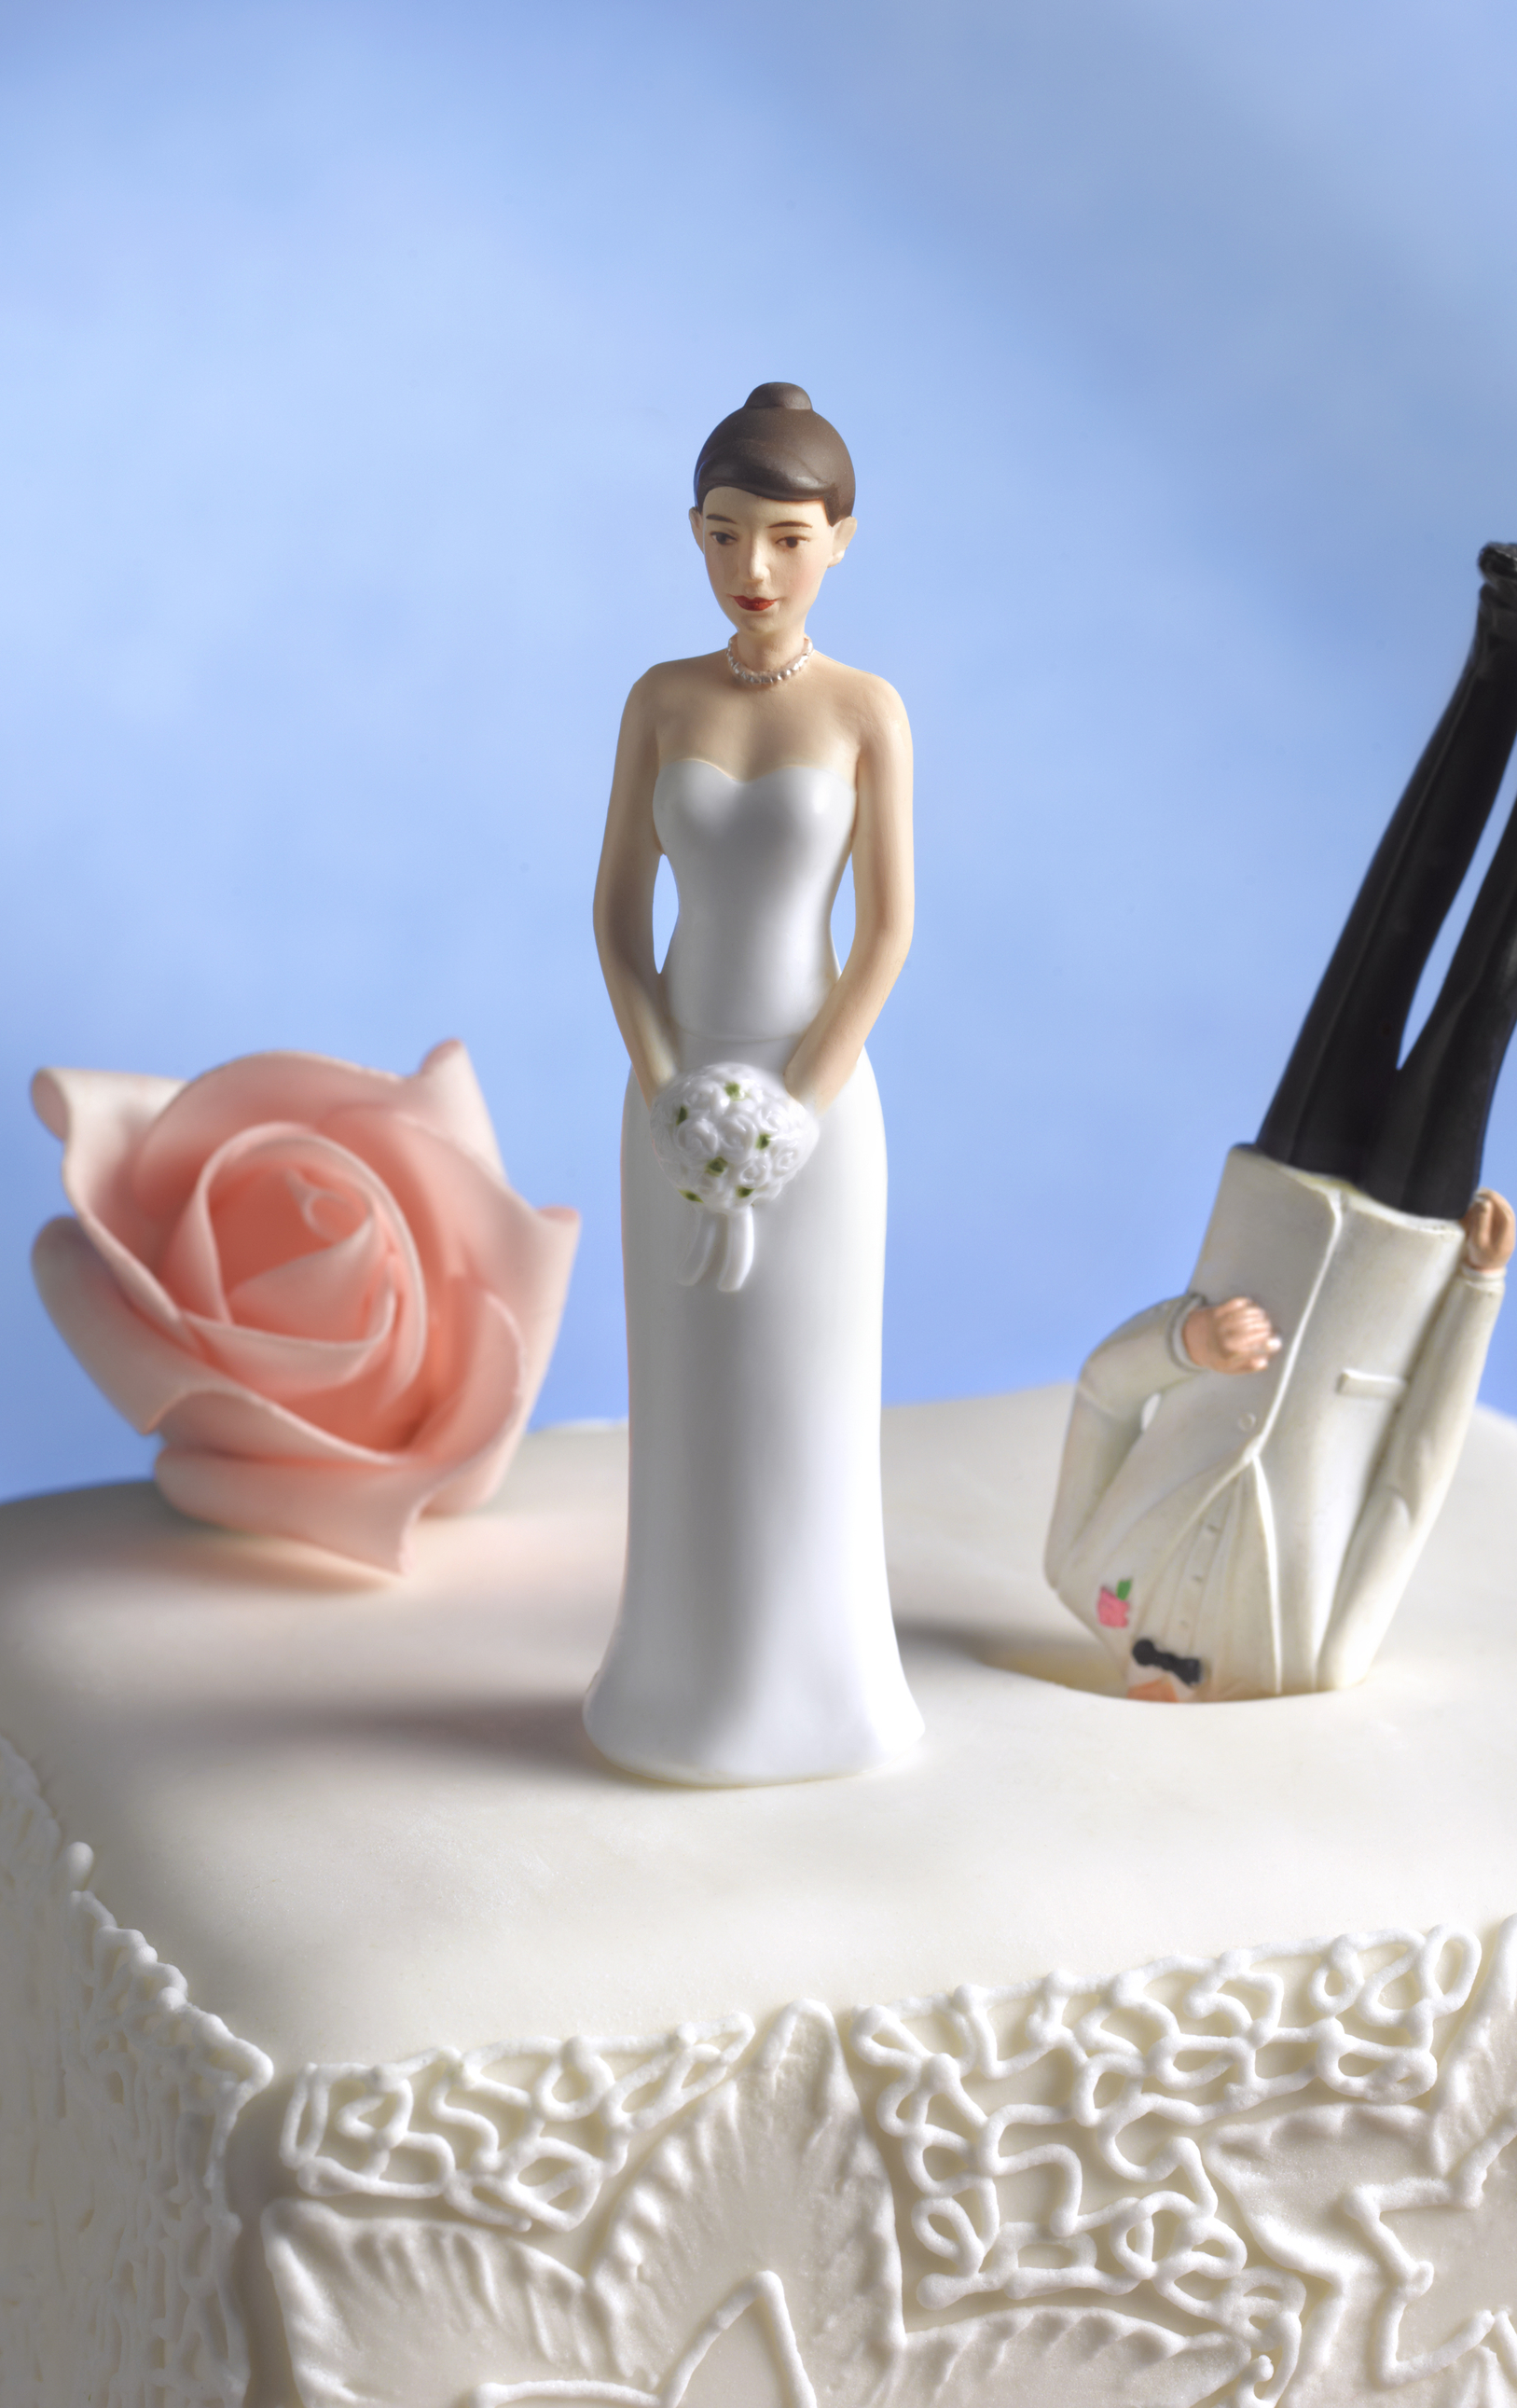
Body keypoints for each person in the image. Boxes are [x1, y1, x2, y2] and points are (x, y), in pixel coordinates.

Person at [1044, 547, 1517, 1699]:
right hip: (1397, 1273)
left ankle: (1506, 635)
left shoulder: (1082, 1579)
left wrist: (1187, 1344)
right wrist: (1476, 1293)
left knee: (1389, 926)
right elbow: (1410, 1480)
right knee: (1493, 976)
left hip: (1275, 1208)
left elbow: (1100, 1395)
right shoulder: (1314, 1659)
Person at [583, 384, 924, 1783]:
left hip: (820, 1105)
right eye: (726, 537)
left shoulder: (866, 710)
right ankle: (676, 1685)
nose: (754, 572)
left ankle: (824, 1698)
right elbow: (615, 917)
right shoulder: (660, 701)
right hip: (670, 1099)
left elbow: (889, 931)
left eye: (786, 537)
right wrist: (671, 1092)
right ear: (696, 537)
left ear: (842, 539)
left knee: (804, 1401)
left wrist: (796, 1101)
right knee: (691, 1394)